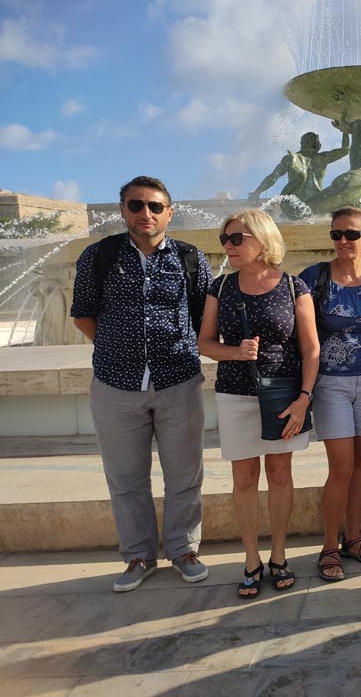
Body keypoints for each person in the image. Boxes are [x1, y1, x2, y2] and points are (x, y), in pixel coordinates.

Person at [71, 176, 214, 592]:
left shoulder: (190, 258)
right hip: (116, 385)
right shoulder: (99, 256)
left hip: (178, 381)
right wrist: (119, 349)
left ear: (170, 212)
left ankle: (184, 550)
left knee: (185, 474)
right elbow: (83, 314)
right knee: (126, 478)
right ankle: (138, 556)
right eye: (136, 205)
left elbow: (203, 317)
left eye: (154, 206)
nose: (145, 214)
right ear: (123, 211)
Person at [198, 209, 319, 599]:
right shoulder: (220, 287)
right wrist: (235, 352)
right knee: (244, 479)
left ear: (263, 240)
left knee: (280, 475)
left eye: (237, 238)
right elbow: (204, 343)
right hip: (235, 394)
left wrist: (304, 400)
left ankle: (279, 554)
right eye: (225, 239)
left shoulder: (294, 287)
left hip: (283, 395)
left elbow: (311, 350)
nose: (229, 246)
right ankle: (251, 559)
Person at [298, 206, 361, 582]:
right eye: (336, 234)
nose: (343, 241)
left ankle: (353, 538)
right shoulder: (314, 278)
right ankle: (329, 547)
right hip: (330, 382)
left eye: (351, 234)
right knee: (341, 467)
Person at [248, 130, 349, 219]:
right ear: (316, 144)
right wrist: (344, 130)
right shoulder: (323, 158)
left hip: (294, 207)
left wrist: (257, 192)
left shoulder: (291, 158)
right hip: (316, 206)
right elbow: (345, 150)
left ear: (302, 143)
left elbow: (274, 176)